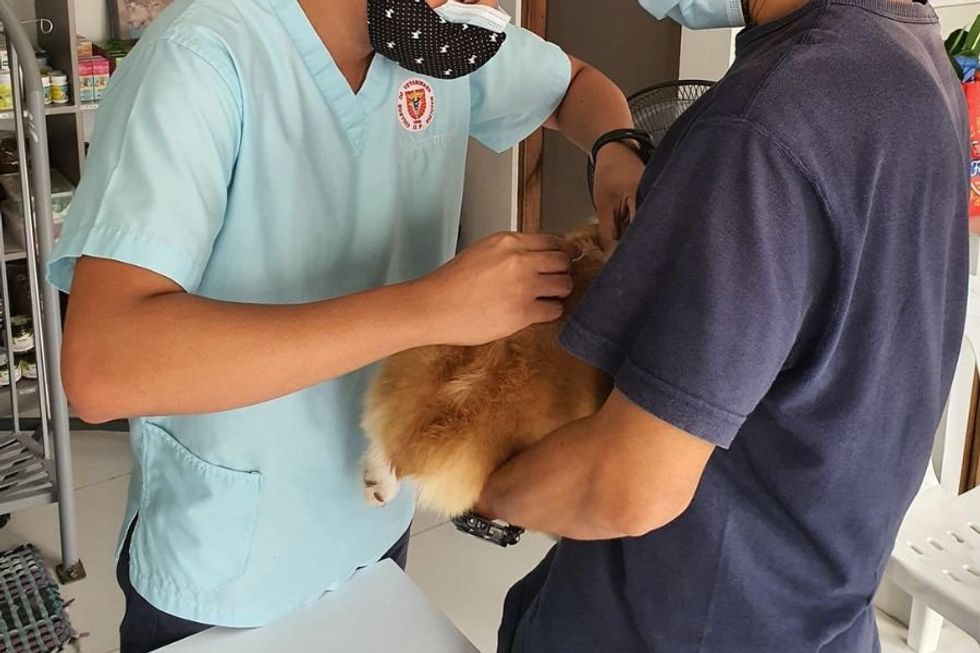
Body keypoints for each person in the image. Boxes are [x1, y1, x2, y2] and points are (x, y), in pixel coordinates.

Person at [47, 0, 646, 650]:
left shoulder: (434, 34)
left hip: (370, 519)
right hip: (231, 564)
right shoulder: (202, 55)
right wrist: (429, 308)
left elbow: (575, 87)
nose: (489, 6)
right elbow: (104, 366)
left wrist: (615, 154)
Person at [480, 0, 969, 651]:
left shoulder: (768, 119)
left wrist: (483, 492)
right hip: (812, 617)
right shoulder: (913, 55)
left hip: (672, 625)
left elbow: (626, 484)